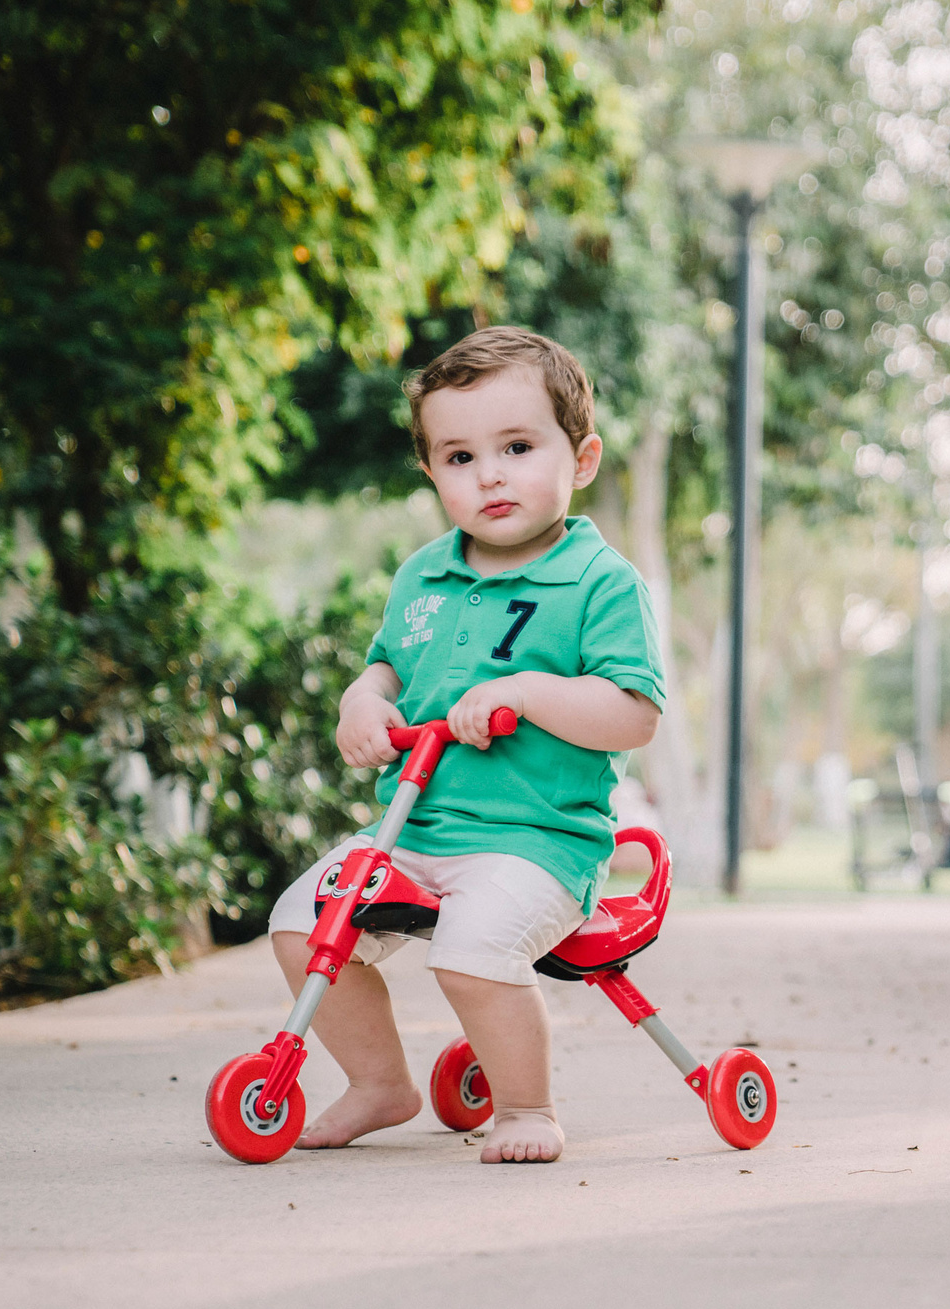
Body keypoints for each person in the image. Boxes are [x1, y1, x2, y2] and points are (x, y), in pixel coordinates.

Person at [262, 327, 665, 1164]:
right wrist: (360, 703)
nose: (489, 474)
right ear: (430, 471)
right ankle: (380, 1084)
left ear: (581, 459)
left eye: (517, 446)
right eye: (457, 456)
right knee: (302, 923)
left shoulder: (600, 582)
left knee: (473, 948)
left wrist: (525, 692)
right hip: (413, 834)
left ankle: (526, 1105)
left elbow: (631, 713)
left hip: (538, 841)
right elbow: (385, 670)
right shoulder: (422, 577)